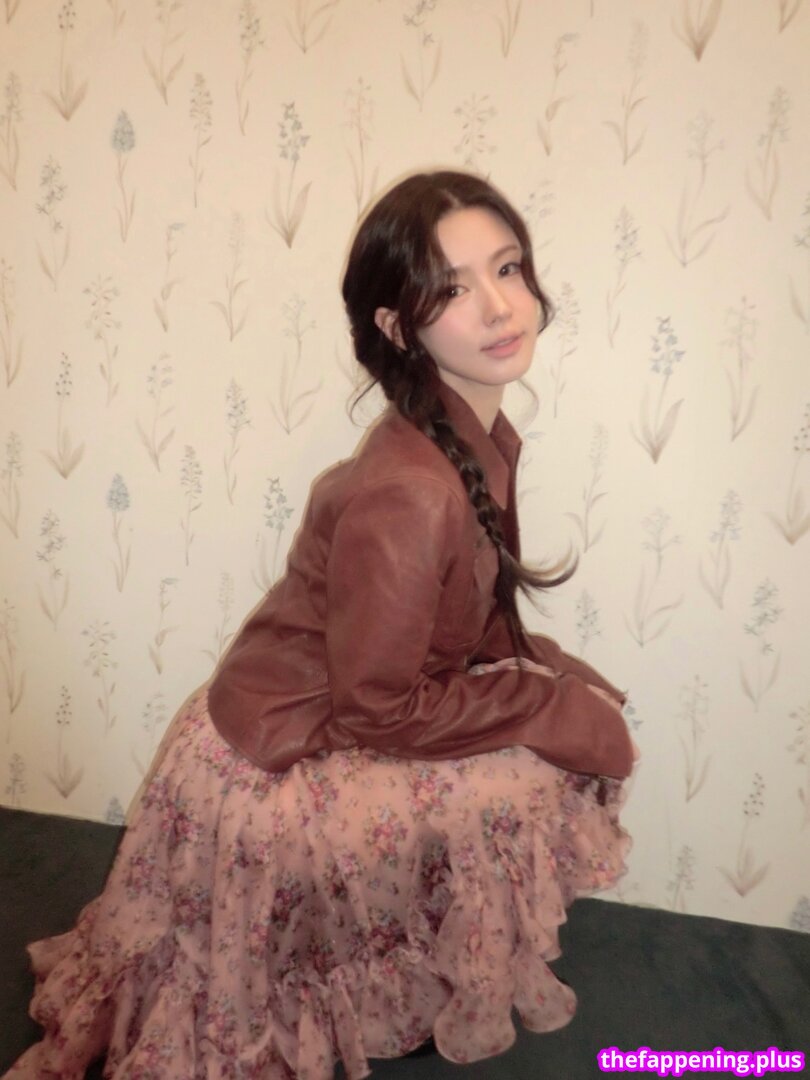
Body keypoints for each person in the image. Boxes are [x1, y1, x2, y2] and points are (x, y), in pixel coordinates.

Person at [4, 170, 635, 1080]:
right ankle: (360, 979)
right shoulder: (411, 490)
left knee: (562, 713)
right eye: (452, 288)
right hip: (271, 764)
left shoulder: (476, 436)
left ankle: (400, 979)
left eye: (508, 268)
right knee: (533, 771)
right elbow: (379, 708)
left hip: (325, 716)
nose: (501, 306)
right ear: (397, 327)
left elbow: (458, 617)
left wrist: (549, 672)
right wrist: (548, 709)